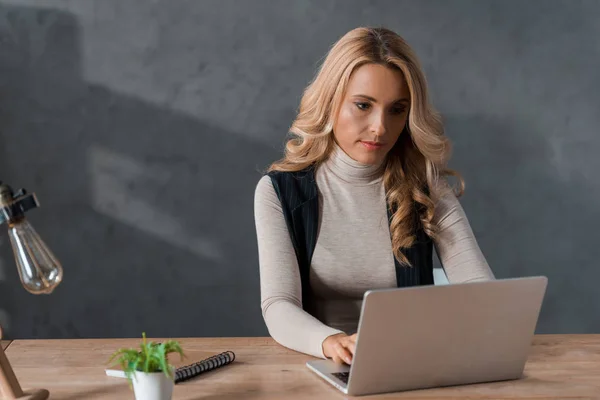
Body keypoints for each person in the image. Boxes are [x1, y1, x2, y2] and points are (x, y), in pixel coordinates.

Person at [254, 26, 494, 366]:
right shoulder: (280, 191)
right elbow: (278, 304)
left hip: (409, 367)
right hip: (320, 365)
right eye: (363, 105)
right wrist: (331, 342)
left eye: (396, 109)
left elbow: (481, 291)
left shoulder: (427, 189)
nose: (380, 127)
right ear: (331, 102)